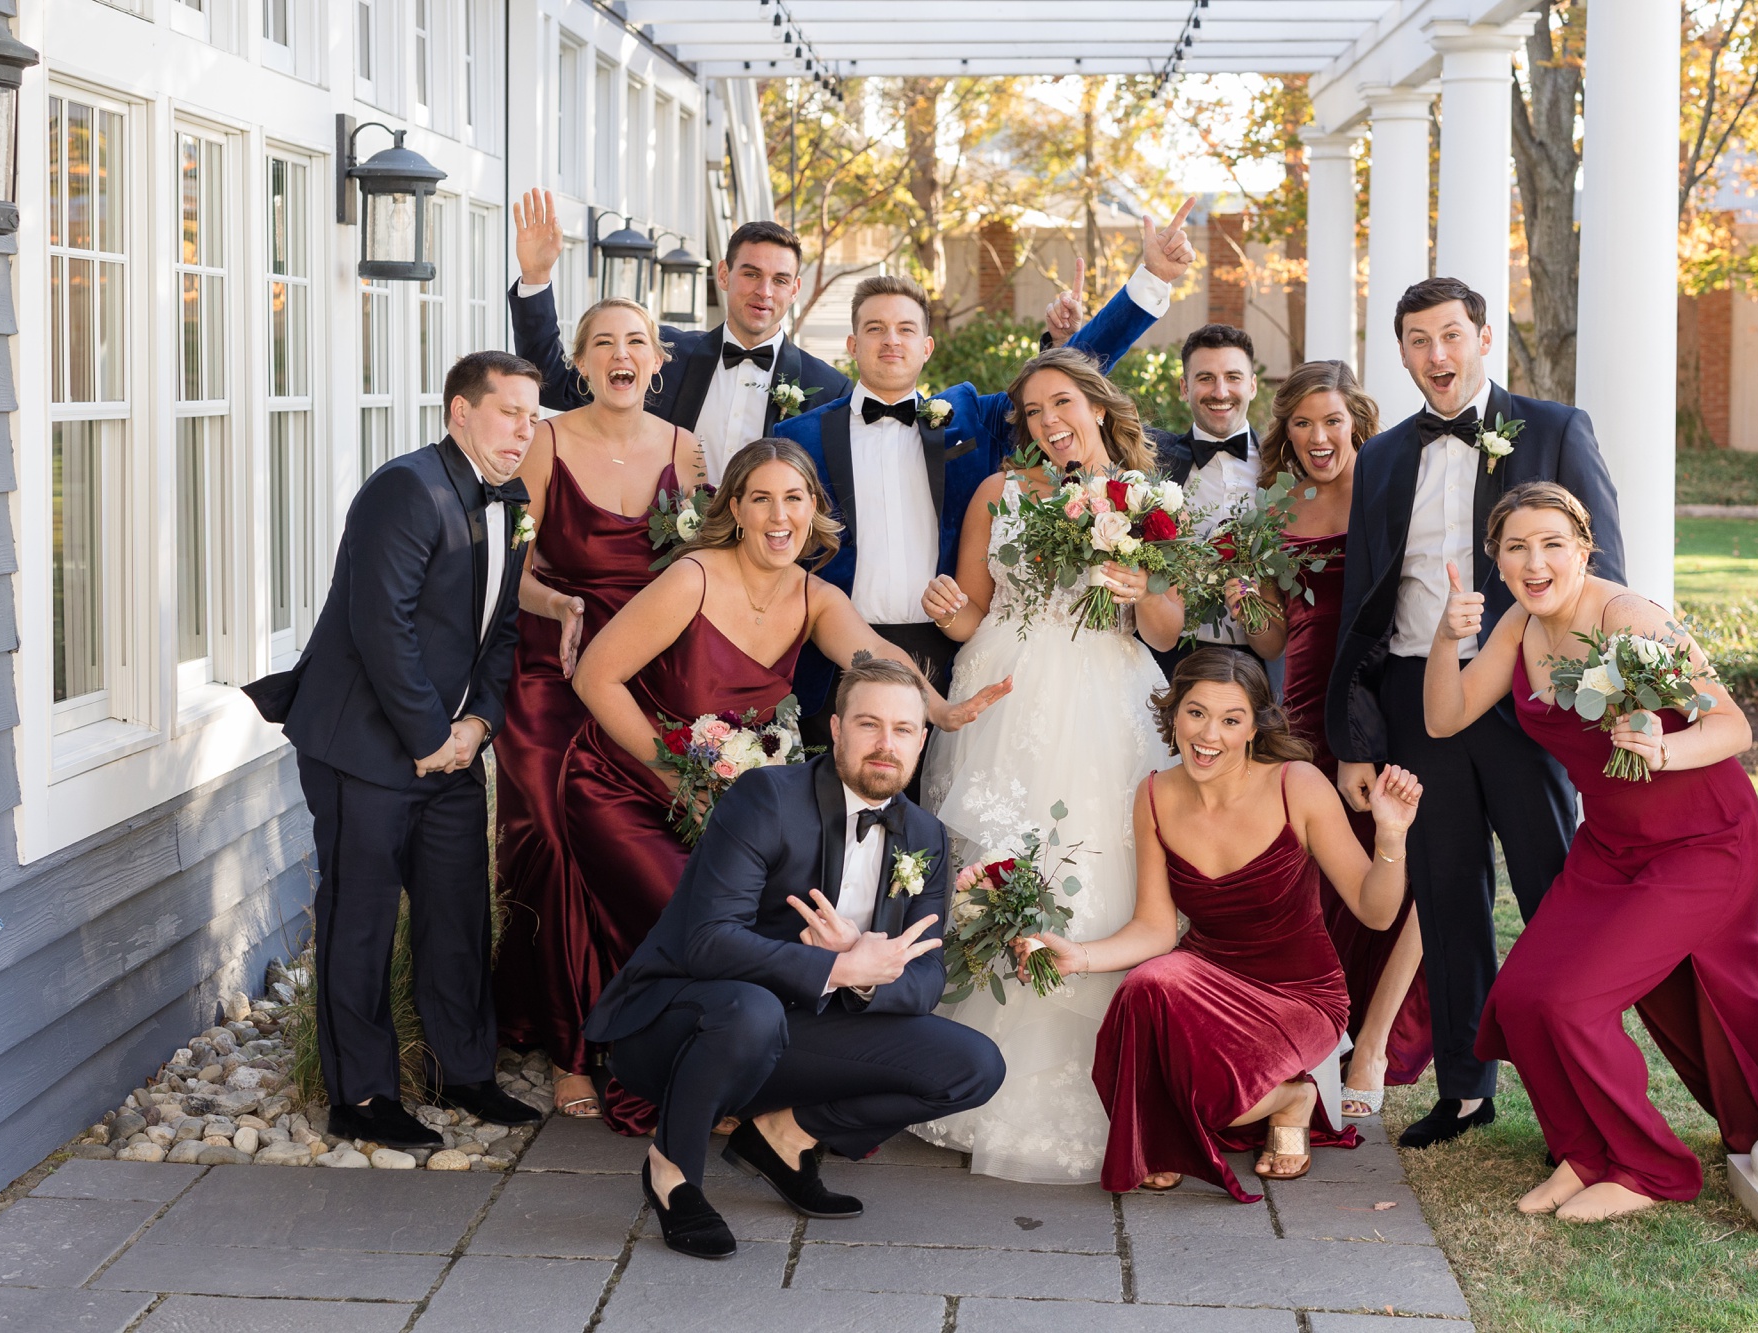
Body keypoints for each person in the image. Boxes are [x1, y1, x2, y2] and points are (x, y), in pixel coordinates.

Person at [556, 439, 1009, 1134]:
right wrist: (679, 774)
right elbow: (595, 678)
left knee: (759, 921)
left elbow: (879, 656)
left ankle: (736, 1073)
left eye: (794, 498)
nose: (778, 514)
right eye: (761, 497)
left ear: (813, 511)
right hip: (625, 781)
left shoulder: (814, 596)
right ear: (734, 508)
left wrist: (940, 709)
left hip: (724, 801)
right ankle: (655, 1068)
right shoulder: (694, 578)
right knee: (689, 909)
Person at [1325, 276, 1625, 1150]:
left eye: (1451, 335)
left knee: (1553, 887)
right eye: (1417, 341)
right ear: (1404, 352)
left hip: (1528, 694)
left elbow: (1605, 571)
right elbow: (1361, 604)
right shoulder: (1381, 457)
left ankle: (1584, 1081)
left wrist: (1601, 697)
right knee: (1450, 893)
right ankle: (1464, 1088)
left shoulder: (1556, 429)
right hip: (1419, 702)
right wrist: (1355, 733)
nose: (1436, 356)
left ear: (1484, 338)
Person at [1423, 482, 1758, 1222]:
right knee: (1520, 1000)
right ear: (1497, 559)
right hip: (1611, 846)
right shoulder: (1519, 626)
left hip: (1700, 841)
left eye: (1552, 543)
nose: (1535, 560)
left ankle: (1651, 1167)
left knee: (1572, 1002)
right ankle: (1584, 1153)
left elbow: (1734, 726)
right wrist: (1447, 636)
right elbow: (1446, 715)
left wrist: (1662, 746)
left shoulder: (1628, 618)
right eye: (1515, 547)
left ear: (1584, 548)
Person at [583, 655, 1006, 1260]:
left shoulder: (925, 837)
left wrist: (863, 978)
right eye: (868, 724)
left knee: (974, 1065)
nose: (886, 745)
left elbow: (925, 976)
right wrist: (835, 968)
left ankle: (783, 1137)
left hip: (800, 1032)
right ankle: (672, 1171)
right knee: (751, 1011)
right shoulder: (767, 799)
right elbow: (707, 941)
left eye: (904, 730)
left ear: (922, 740)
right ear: (834, 729)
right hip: (680, 1023)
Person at [776, 203, 1197, 786]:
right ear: (852, 344)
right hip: (839, 653)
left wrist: (1147, 282)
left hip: (948, 654)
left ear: (927, 348)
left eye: (906, 330)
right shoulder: (796, 438)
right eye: (874, 329)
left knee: (932, 820)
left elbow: (1063, 382)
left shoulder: (969, 417)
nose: (890, 342)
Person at [240, 351, 545, 1149]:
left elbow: (501, 629)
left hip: (450, 746)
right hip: (363, 745)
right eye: (508, 411)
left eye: (532, 415)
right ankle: (363, 1097)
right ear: (459, 413)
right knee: (362, 916)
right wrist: (430, 738)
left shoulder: (511, 501)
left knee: (456, 914)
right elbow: (385, 628)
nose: (523, 428)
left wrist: (477, 727)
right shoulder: (405, 489)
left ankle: (464, 1072)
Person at [910, 347, 1185, 1183]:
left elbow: (1169, 633)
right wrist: (947, 610)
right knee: (995, 867)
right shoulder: (998, 494)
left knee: (1101, 866)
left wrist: (1141, 587)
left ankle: (1112, 1081)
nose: (1048, 423)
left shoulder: (1147, 502)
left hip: (1104, 702)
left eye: (1061, 403)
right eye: (1031, 412)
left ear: (1097, 407)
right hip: (1002, 705)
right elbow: (971, 616)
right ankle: (981, 1077)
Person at [1020, 650, 1421, 1201]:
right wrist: (1079, 956)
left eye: (1231, 719)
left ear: (1255, 726)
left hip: (1299, 994)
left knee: (1183, 1046)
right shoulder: (1155, 795)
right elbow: (1157, 929)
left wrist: (1391, 837)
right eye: (1196, 713)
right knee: (1147, 984)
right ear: (1174, 715)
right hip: (1203, 978)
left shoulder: (1296, 785)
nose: (1209, 735)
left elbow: (1375, 913)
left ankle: (1289, 1098)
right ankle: (1224, 1116)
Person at [490, 297, 705, 1122]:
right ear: (578, 364)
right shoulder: (542, 444)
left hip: (647, 677)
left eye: (637, 343)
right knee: (547, 834)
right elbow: (506, 562)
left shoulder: (686, 453)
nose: (622, 354)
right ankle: (566, 1044)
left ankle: (637, 1025)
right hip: (551, 668)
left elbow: (705, 566)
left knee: (635, 844)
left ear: (658, 363)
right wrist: (555, 605)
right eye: (603, 343)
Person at [1237, 361, 1432, 1121]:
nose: (1319, 437)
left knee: (1404, 850)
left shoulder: (1392, 484)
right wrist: (1248, 593)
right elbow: (1270, 635)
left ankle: (1379, 1038)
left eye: (1331, 420)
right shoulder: (1275, 502)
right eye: (1301, 424)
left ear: (1356, 419)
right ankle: (1319, 1025)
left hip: (1391, 683)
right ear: (1285, 433)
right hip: (1306, 700)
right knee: (1313, 866)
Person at [508, 190, 850, 469]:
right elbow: (552, 384)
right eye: (750, 274)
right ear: (724, 275)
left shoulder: (830, 391)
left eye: (779, 280)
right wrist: (536, 276)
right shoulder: (662, 354)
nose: (764, 291)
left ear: (794, 289)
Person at [1145, 323, 1266, 678]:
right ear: (1185, 388)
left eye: (1233, 377)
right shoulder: (1152, 462)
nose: (1220, 391)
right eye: (1205, 378)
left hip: (1255, 659)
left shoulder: (1284, 468)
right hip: (1164, 655)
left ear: (1253, 385)